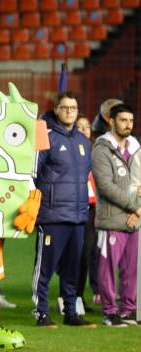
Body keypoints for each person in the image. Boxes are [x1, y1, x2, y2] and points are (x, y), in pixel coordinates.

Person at [31, 91, 95, 328]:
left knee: (72, 268)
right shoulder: (45, 137)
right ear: (56, 109)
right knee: (45, 267)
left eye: (73, 108)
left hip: (78, 216)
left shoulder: (82, 142)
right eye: (65, 107)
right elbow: (33, 175)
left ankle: (71, 312)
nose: (69, 111)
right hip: (52, 215)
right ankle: (41, 312)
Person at [92, 103, 140, 327]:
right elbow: (105, 186)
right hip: (111, 220)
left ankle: (128, 310)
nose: (128, 125)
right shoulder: (102, 149)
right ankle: (110, 312)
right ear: (111, 121)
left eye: (130, 121)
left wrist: (138, 211)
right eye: (123, 120)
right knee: (108, 269)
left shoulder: (136, 147)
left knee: (132, 269)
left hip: (135, 217)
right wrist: (135, 207)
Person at [75, 113, 100, 311]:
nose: (84, 129)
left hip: (92, 209)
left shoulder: (96, 153)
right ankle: (66, 298)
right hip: (72, 208)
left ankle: (79, 297)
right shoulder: (70, 150)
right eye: (80, 126)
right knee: (70, 256)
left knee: (85, 255)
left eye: (87, 126)